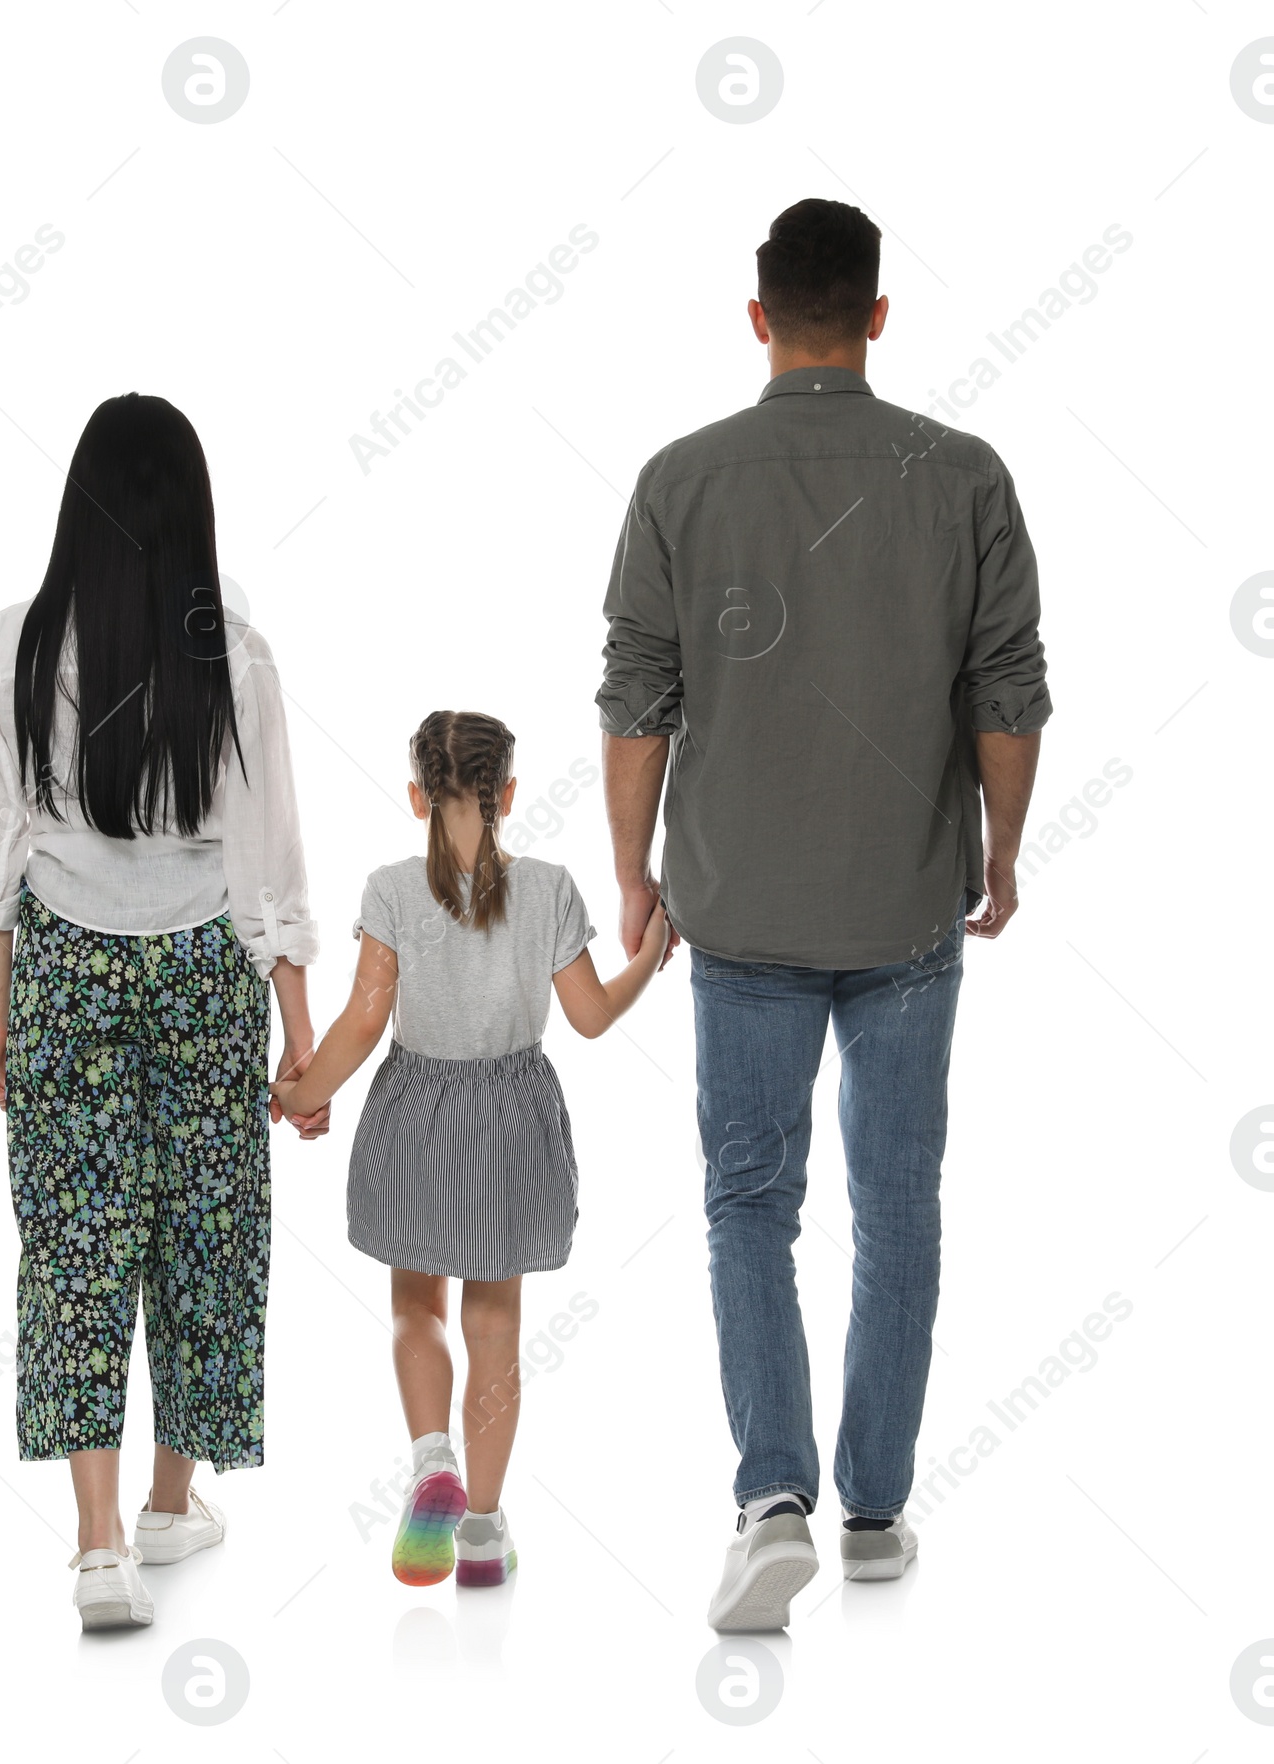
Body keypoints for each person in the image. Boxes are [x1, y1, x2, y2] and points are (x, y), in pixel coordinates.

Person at [597, 198, 1051, 1630]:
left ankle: (770, 1497)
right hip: (909, 898)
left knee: (750, 1205)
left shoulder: (680, 479)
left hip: (738, 907)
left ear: (757, 320)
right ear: (875, 314)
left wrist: (633, 875)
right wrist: (1005, 851)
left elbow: (635, 699)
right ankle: (872, 1512)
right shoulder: (965, 474)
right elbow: (1010, 692)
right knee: (896, 1203)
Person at [0, 393, 326, 1631]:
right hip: (205, 975)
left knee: (72, 1244)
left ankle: (97, 1543)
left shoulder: (12, 644)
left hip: (65, 965)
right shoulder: (242, 655)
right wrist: (302, 1037)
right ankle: (175, 1502)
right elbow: (267, 867)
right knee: (205, 1232)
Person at [271, 711, 669, 1588]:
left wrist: (299, 1092)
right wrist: (652, 956)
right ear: (510, 795)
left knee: (418, 1307)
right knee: (497, 1328)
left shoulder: (391, 891)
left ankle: (430, 1461)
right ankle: (483, 1533)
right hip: (513, 1122)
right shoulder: (553, 888)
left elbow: (365, 1020)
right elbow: (592, 1016)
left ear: (415, 796)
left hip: (417, 1114)